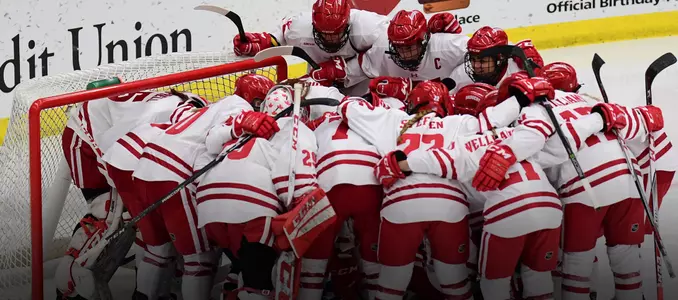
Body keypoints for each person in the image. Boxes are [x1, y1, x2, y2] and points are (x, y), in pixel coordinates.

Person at [373, 79, 628, 300]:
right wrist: (595, 120)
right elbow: (555, 149)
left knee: (492, 284)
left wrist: (401, 163)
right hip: (550, 208)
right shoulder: (517, 134)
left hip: (504, 214)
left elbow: (441, 160)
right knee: (539, 280)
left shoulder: (466, 142)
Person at [337, 78, 539, 299]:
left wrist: (378, 94)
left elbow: (346, 107)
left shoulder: (393, 119)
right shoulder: (458, 122)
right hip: (450, 206)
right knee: (456, 285)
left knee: (390, 286)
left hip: (402, 204)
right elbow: (495, 118)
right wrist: (525, 95)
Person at [474, 62, 659, 300]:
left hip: (584, 187)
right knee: (627, 260)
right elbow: (636, 124)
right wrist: (641, 117)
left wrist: (520, 155)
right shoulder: (584, 99)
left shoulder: (533, 110)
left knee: (577, 268)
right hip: (628, 178)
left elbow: (548, 147)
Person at [104, 74, 275, 299]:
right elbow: (214, 142)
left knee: (158, 250)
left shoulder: (216, 106)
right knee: (199, 260)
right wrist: (238, 127)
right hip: (174, 173)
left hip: (145, 168)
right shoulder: (238, 106)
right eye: (258, 101)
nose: (261, 108)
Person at [56, 89, 206, 300]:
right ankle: (69, 287)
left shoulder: (197, 113)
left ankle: (155, 288)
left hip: (120, 133)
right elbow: (117, 157)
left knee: (153, 219)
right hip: (86, 136)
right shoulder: (157, 122)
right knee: (111, 213)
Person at [195, 81, 323, 300]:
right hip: (251, 208)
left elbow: (208, 149)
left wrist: (236, 128)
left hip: (208, 207)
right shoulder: (293, 128)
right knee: (259, 282)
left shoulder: (243, 129)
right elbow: (292, 179)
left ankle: (234, 285)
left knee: (240, 264)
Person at [231, 0, 389, 95]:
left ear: (348, 24)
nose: (330, 39)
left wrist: (350, 69)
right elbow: (281, 35)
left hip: (361, 92)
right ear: (313, 26)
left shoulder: (369, 27)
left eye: (336, 34)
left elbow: (388, 50)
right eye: (324, 34)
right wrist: (266, 41)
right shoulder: (299, 28)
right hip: (317, 87)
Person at [448, 26, 544, 94]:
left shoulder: (519, 70)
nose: (476, 66)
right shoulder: (460, 76)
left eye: (483, 61)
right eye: (473, 59)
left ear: (500, 58)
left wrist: (537, 71)